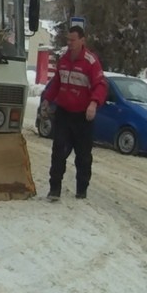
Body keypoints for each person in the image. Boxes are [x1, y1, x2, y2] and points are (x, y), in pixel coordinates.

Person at [39, 18, 107, 201]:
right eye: (68, 40)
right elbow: (56, 83)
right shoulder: (63, 60)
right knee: (58, 151)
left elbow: (101, 85)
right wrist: (47, 100)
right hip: (64, 113)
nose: (69, 43)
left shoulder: (91, 62)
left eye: (73, 40)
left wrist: (93, 104)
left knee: (83, 156)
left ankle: (81, 190)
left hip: (83, 117)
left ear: (82, 41)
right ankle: (54, 190)